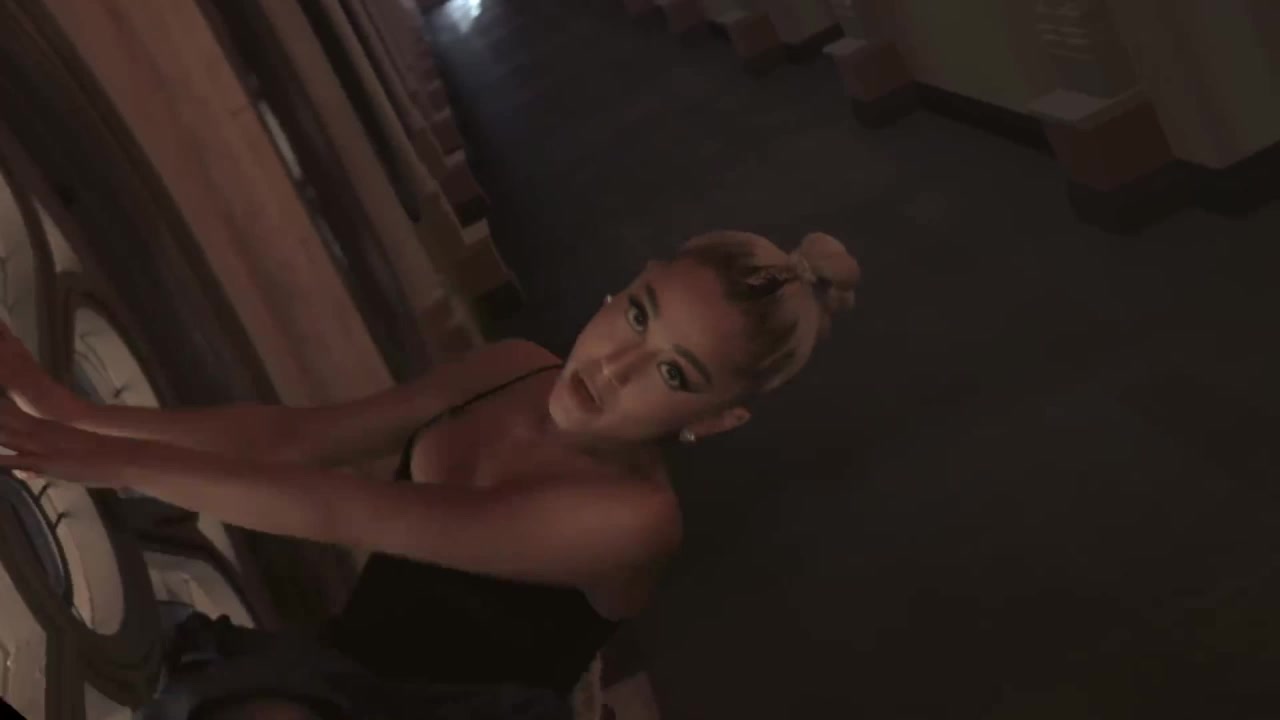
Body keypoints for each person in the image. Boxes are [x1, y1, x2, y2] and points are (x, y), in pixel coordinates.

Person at [0, 230, 859, 717]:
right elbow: (297, 441)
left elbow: (350, 512)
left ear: (713, 419)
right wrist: (66, 411)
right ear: (620, 290)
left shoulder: (634, 518)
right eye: (637, 315)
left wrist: (103, 461)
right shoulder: (517, 365)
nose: (615, 366)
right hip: (341, 674)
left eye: (673, 373)